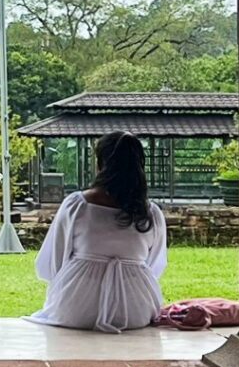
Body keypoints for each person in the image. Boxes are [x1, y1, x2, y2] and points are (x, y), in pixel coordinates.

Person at [29, 130, 168, 333]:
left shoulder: (77, 205)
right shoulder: (150, 213)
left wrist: (63, 287)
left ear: (101, 164)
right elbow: (154, 265)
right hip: (135, 309)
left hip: (76, 307)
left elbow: (53, 261)